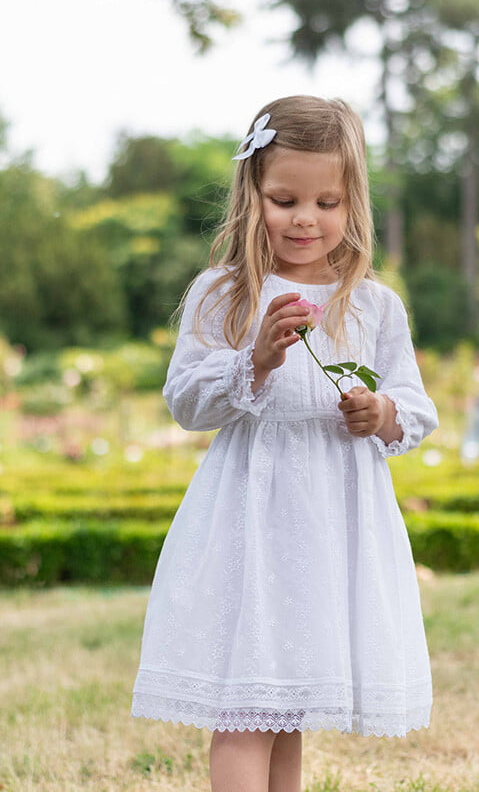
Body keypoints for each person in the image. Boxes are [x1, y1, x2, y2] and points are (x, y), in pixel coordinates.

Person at [131, 95, 439, 792]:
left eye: (327, 202)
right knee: (246, 704)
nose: (306, 218)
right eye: (285, 198)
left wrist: (382, 411)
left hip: (330, 527)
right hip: (252, 522)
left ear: (352, 203)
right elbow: (185, 399)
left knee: (286, 702)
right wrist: (257, 360)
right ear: (252, 194)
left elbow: (417, 406)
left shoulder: (372, 304)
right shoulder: (225, 295)